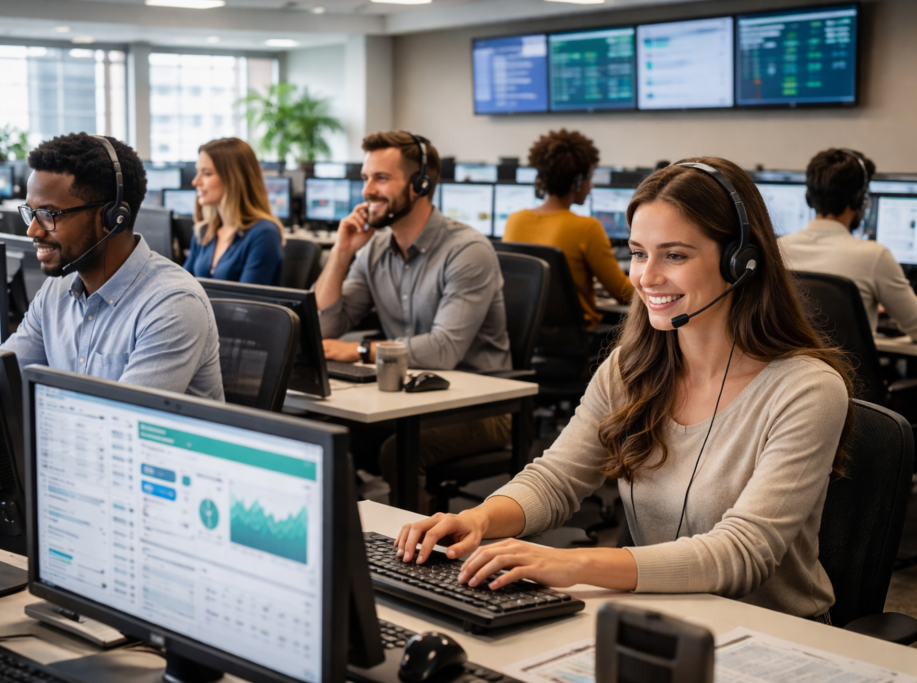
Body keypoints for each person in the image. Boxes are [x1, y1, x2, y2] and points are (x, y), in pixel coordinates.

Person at [395, 157, 855, 621]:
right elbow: (556, 479)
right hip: (655, 619)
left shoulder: (806, 390)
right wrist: (477, 519)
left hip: (770, 635)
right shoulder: (631, 368)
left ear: (741, 262)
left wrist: (572, 564)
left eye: (674, 255)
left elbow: (742, 553)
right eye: (638, 253)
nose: (646, 277)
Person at [313, 131, 512, 499]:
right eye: (366, 178)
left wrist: (359, 351)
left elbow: (443, 349)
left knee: (400, 450)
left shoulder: (466, 251)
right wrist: (341, 252)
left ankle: (417, 538)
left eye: (381, 178)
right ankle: (352, 535)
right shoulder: (373, 250)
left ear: (420, 185)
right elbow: (323, 326)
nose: (367, 190)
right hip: (407, 395)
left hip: (483, 407)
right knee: (324, 432)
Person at [2, 132, 223, 401]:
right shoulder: (55, 291)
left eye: (48, 215)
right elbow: (1, 377)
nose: (32, 231)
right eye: (31, 213)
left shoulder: (173, 305)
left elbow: (123, 420)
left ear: (113, 218)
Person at [780, 148, 917, 339]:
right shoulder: (875, 257)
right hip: (847, 361)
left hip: (793, 359)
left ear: (809, 197)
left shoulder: (777, 249)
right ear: (860, 199)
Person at [503, 130, 632, 328]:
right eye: (589, 178)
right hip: (577, 338)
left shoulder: (515, 220)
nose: (591, 187)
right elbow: (623, 293)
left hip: (527, 335)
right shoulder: (587, 227)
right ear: (578, 181)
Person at [183, 137, 284, 286]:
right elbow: (182, 285)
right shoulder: (204, 231)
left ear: (233, 179)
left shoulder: (264, 234)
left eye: (207, 173)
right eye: (197, 172)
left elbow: (246, 299)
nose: (195, 181)